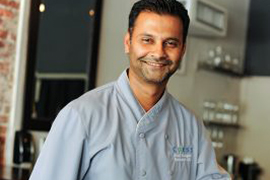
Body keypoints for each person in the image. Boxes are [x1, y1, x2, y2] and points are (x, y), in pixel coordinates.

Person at [29, 0, 231, 179]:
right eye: (147, 40)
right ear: (128, 43)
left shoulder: (191, 126)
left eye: (170, 43)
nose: (158, 53)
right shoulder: (81, 116)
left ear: (182, 50)